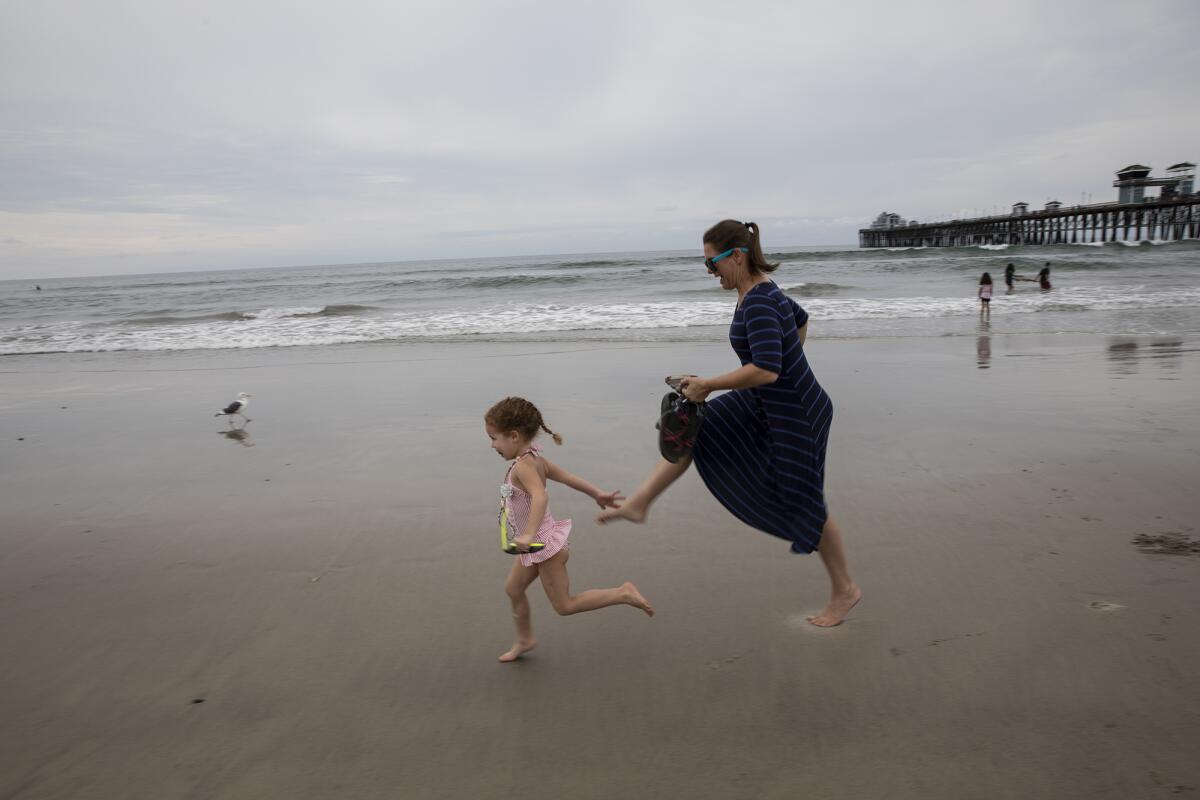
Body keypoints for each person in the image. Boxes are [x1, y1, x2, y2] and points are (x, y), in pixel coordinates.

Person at [598, 220, 860, 628]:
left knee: (805, 500)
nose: (709, 272)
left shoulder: (758, 300)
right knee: (692, 424)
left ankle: (845, 590)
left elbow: (768, 370)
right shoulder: (759, 292)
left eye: (712, 263)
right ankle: (639, 503)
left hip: (797, 412)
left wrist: (710, 384)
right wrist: (719, 386)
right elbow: (801, 320)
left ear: (736, 255)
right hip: (770, 400)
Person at [485, 397, 653, 662]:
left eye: (494, 438)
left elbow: (540, 497)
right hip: (536, 546)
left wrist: (528, 533)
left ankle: (623, 593)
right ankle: (525, 639)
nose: (492, 445)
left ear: (513, 435)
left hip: (545, 549)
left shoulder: (524, 466)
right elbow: (568, 477)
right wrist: (597, 493)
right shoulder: (534, 459)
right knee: (513, 589)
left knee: (565, 605)